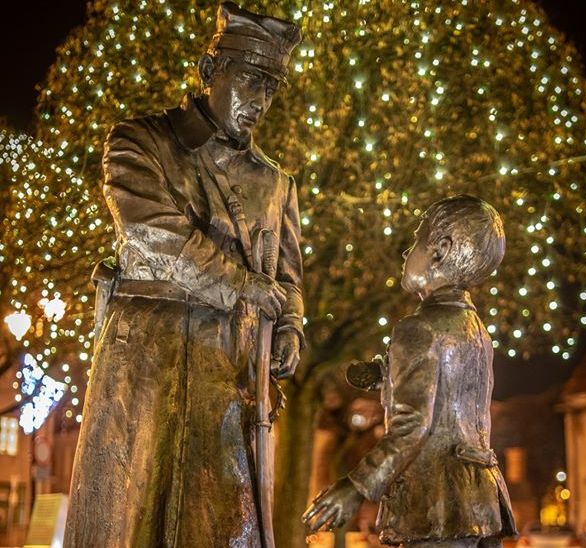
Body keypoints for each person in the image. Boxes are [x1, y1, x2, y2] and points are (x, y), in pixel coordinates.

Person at [64, 3, 303, 547]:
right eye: (251, 79)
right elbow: (154, 232)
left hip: (228, 372)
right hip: (147, 368)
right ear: (209, 69)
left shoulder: (277, 184)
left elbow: (288, 277)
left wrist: (290, 328)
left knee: (219, 525)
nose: (260, 101)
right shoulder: (139, 142)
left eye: (271, 88)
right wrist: (243, 286)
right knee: (136, 519)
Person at [303, 195, 517, 548]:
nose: (406, 253)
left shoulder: (417, 328)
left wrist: (355, 487)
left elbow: (413, 425)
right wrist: (385, 375)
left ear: (440, 250)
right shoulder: (476, 330)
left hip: (438, 506)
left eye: (416, 241)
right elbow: (450, 395)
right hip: (479, 503)